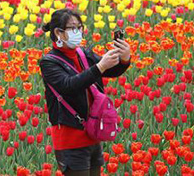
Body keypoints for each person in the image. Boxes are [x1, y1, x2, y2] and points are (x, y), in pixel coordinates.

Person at [39, 9, 131, 176]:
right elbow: (69, 86)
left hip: (93, 132)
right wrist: (100, 66)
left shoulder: (83, 53)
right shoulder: (49, 62)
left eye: (79, 27)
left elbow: (110, 71)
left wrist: (124, 58)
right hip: (70, 139)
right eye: (73, 28)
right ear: (59, 33)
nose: (78, 32)